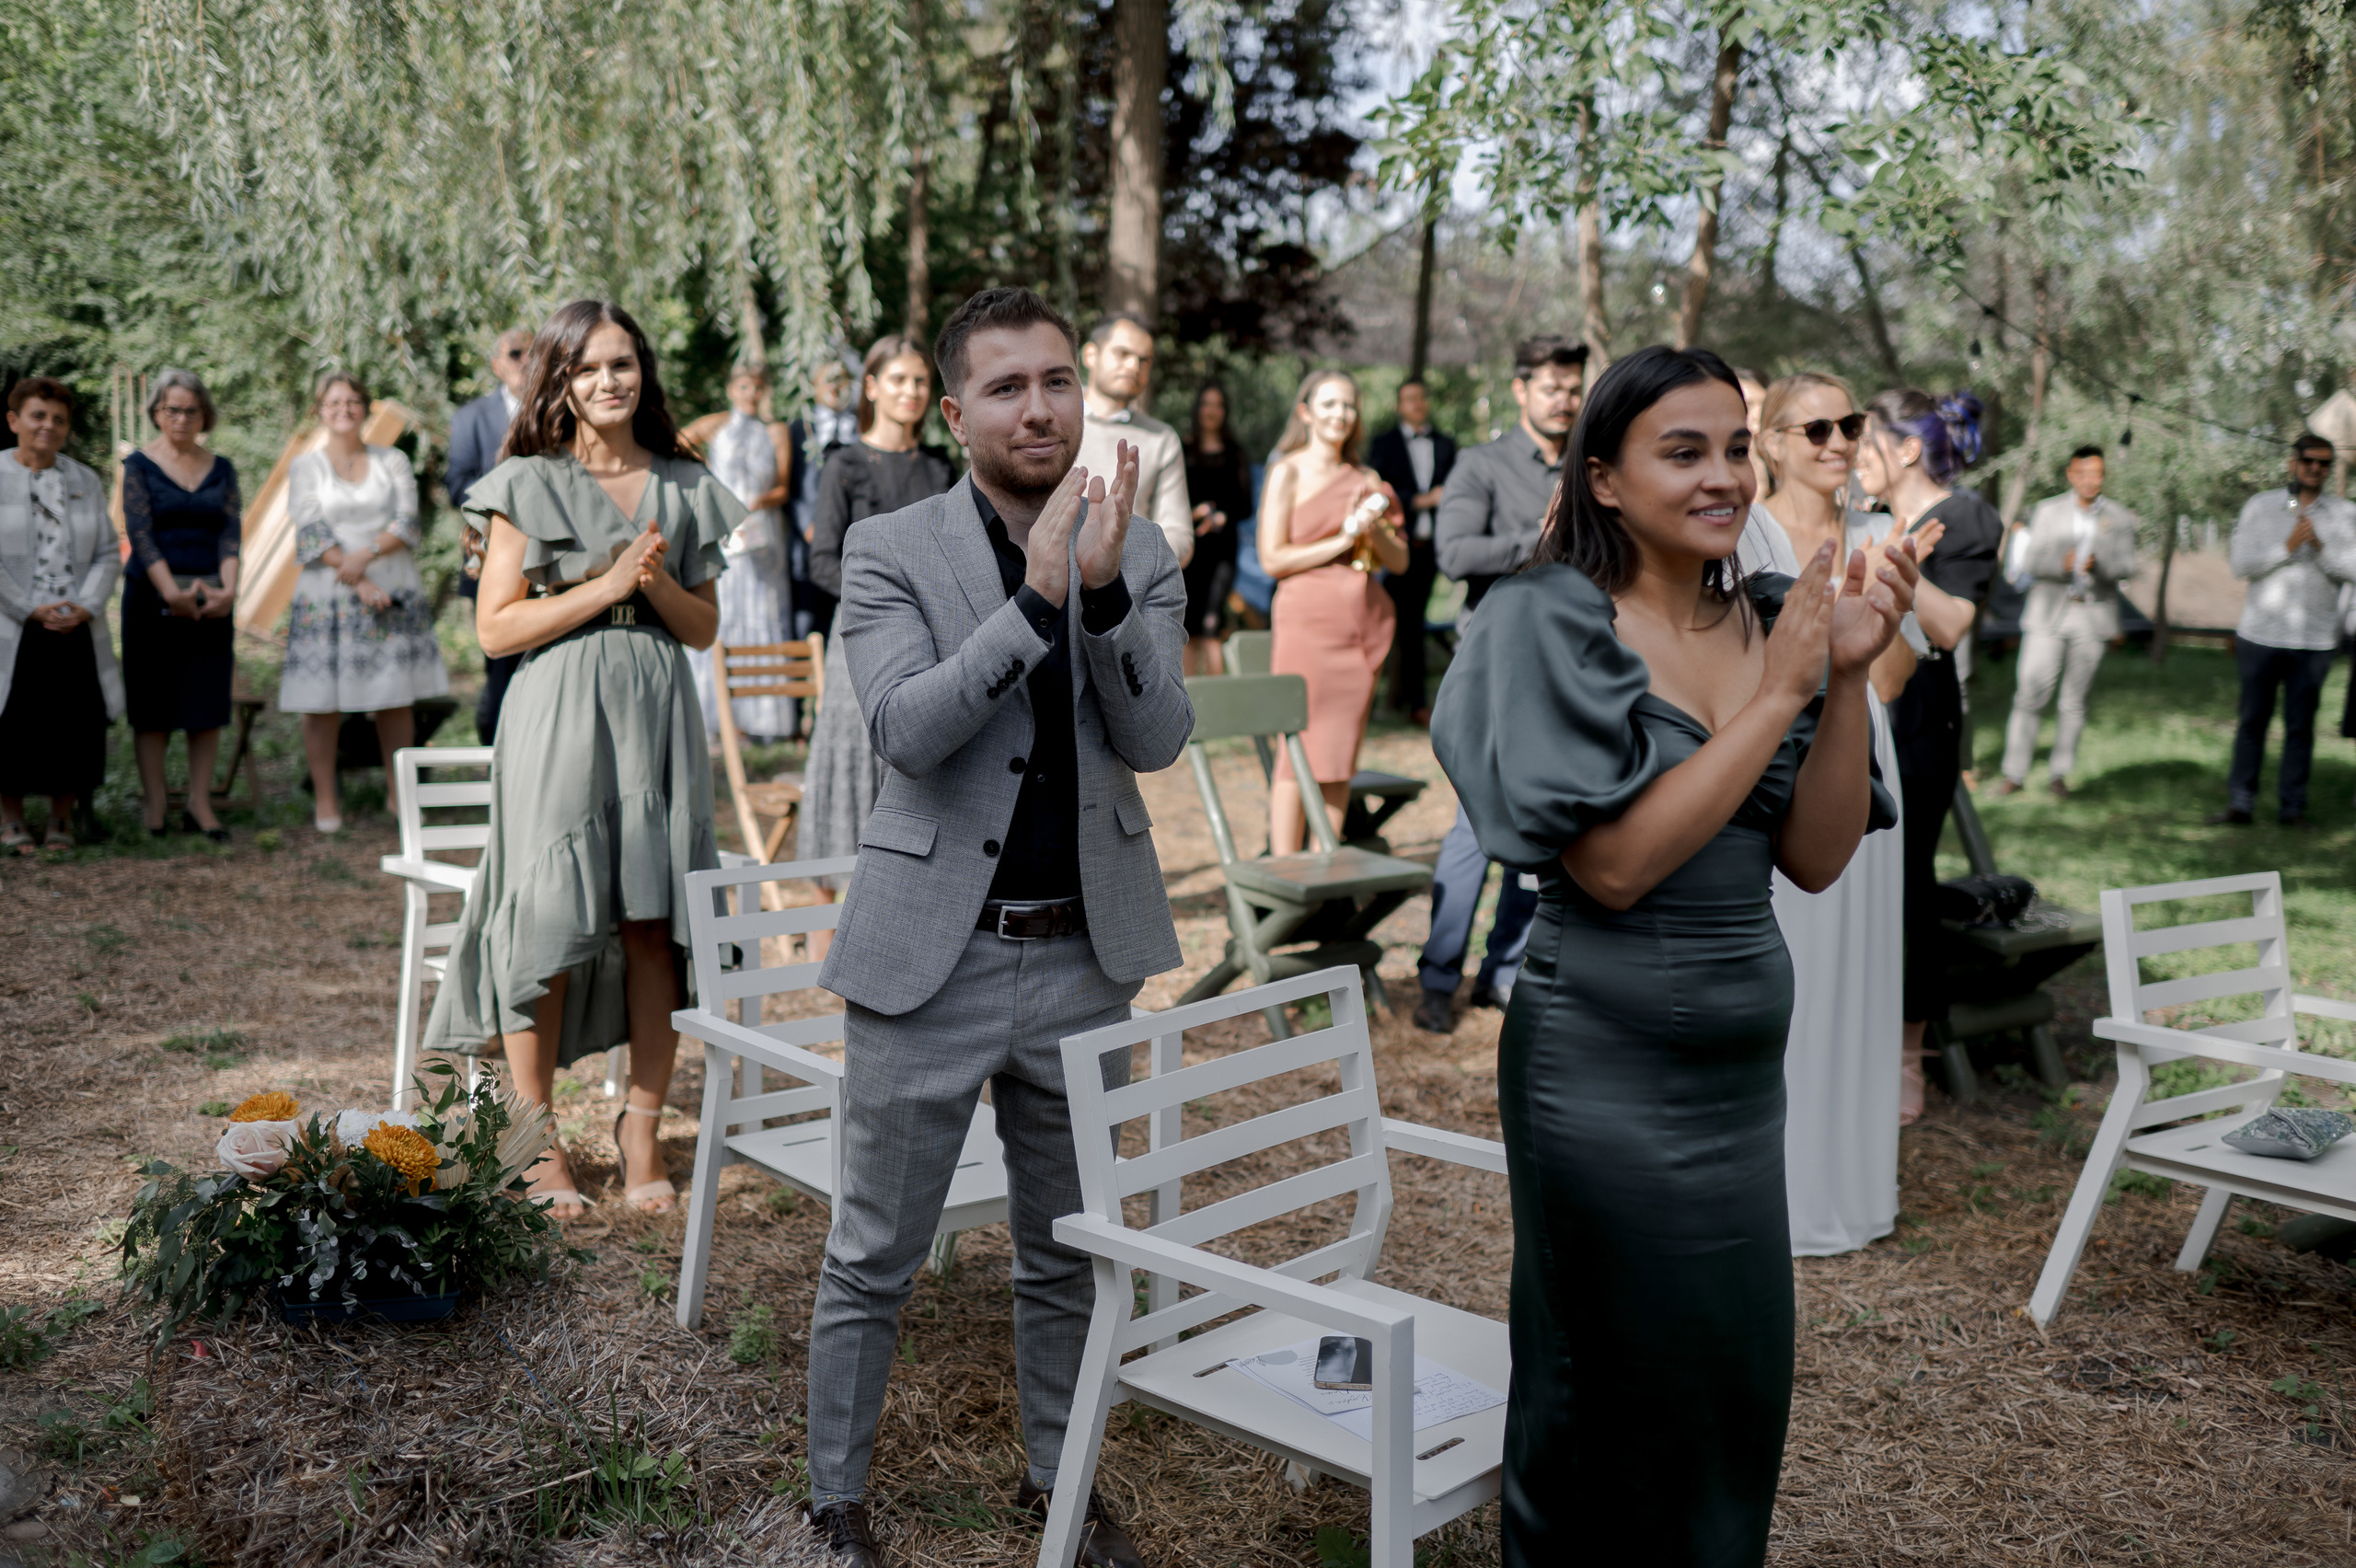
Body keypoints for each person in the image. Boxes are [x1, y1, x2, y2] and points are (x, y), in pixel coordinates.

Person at [1431, 344, 1910, 1568]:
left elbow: (1814, 855)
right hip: (1602, 1072)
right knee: (1609, 1393)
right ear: (1602, 477)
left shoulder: (1761, 619)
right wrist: (1772, 697)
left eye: (1736, 448)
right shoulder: (1544, 619)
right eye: (1682, 452)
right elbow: (1613, 868)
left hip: (1741, 1090)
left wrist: (1844, 682)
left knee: (1730, 1392)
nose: (1724, 478)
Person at [803, 286, 1186, 1568]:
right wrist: (1031, 605)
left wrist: (1104, 597)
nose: (1041, 406)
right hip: (930, 959)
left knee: (1067, 1253)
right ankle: (835, 1500)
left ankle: (1057, 1489)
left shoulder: (1138, 547)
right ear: (956, 411)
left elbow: (1159, 737)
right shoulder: (891, 548)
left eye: (1060, 381)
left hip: (1086, 956)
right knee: (874, 1256)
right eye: (1010, 387)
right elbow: (907, 731)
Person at [422, 299, 735, 1220]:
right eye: (590, 367)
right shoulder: (524, 480)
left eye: (624, 364)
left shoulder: (683, 481)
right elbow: (493, 629)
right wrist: (604, 585)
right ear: (558, 378)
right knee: (548, 920)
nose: (610, 381)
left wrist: (658, 585)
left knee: (651, 918)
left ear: (643, 372)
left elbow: (705, 629)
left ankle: (641, 1126)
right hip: (555, 708)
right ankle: (532, 1139)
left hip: (657, 708)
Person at [1739, 372, 1911, 1246]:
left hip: (1864, 746)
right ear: (1769, 442)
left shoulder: (1882, 534)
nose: (1837, 441)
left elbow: (1892, 673)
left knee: (1858, 968)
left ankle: (1844, 1181)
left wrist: (1880, 625)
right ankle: (1773, 1189)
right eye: (1815, 428)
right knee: (1791, 967)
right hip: (1776, 753)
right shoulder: (1745, 535)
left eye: (1849, 425)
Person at [1415, 335, 1586, 1034]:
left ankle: (1506, 970)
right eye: (1551, 386)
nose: (1564, 398)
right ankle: (1437, 976)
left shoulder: (1594, 464)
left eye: (1573, 386)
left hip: (1575, 668)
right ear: (1521, 389)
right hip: (1493, 670)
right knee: (1473, 827)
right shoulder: (1480, 465)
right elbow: (1454, 553)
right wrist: (1543, 538)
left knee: (1546, 826)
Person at [1852, 388, 2001, 1122]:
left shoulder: (1967, 515)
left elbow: (1950, 627)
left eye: (1866, 442)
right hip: (1859, 703)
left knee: (1906, 881)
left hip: (1921, 718)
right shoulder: (1871, 518)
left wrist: (1896, 568)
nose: (1852, 456)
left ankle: (1910, 1053)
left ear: (1907, 449)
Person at [803, 334, 958, 928]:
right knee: (851, 765)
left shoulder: (943, 466)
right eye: (899, 380)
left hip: (935, 638)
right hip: (859, 639)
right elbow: (820, 565)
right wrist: (888, 597)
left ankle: (913, 914)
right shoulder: (842, 464)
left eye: (921, 381)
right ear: (871, 387)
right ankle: (834, 931)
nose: (911, 392)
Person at [280, 372, 451, 832]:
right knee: (322, 700)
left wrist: (364, 557)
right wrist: (355, 578)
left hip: (390, 584)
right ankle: (326, 801)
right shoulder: (306, 466)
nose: (344, 409)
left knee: (394, 695)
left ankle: (399, 798)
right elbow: (310, 528)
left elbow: (407, 522)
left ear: (366, 408)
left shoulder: (391, 460)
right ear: (320, 410)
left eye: (353, 400)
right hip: (328, 593)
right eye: (334, 402)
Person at [1258, 369, 1408, 854]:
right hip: (1306, 624)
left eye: (1348, 406)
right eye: (1329, 405)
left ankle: (1328, 862)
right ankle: (1284, 868)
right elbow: (1272, 559)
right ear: (1306, 412)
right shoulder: (1288, 471)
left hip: (1359, 628)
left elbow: (1400, 561)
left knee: (1340, 755)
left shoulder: (1366, 479)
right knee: (1295, 749)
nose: (1340, 415)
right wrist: (1341, 539)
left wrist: (1375, 524)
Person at [0, 378, 121, 852]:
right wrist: (30, 608)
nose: (48, 426)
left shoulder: (84, 480)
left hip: (75, 621)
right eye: (38, 416)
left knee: (75, 722)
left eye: (58, 419)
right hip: (14, 624)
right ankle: (9, 819)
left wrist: (86, 606)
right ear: (14, 421)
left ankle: (60, 819)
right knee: (12, 722)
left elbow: (108, 553)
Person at [2212, 432, 2356, 827]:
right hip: (2260, 635)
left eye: (2324, 463)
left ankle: (2293, 809)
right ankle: (2241, 803)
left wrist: (2323, 550)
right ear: (2292, 461)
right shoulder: (2262, 507)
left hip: (2315, 640)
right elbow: (2242, 565)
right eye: (2309, 460)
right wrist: (2287, 546)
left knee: (2300, 727)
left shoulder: (2345, 514)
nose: (2315, 468)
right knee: (2252, 721)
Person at [121, 368, 239, 843]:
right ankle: (155, 803)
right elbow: (141, 533)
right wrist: (170, 591)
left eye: (192, 410)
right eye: (173, 409)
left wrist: (228, 592)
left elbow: (231, 533)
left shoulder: (223, 468)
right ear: (156, 412)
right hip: (153, 600)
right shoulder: (138, 466)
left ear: (204, 415)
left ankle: (199, 802)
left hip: (212, 599)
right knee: (152, 705)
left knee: (205, 703)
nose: (182, 418)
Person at [1993, 444, 2141, 798]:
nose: (2091, 480)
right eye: (2083, 473)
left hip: (2093, 616)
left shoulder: (2119, 518)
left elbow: (2129, 566)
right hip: (2048, 615)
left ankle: (2060, 774)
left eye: (2097, 474)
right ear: (2071, 475)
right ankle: (2014, 773)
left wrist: (2100, 563)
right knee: (2030, 693)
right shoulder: (2046, 511)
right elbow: (2027, 562)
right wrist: (2061, 563)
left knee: (2075, 701)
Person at [681, 363, 796, 743]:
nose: (750, 393)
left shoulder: (775, 431)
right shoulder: (717, 427)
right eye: (744, 386)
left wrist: (759, 502)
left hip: (761, 534)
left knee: (761, 611)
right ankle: (717, 714)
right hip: (725, 530)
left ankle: (762, 716)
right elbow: (679, 440)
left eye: (757, 387)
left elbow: (783, 486)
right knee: (725, 610)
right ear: (731, 389)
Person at [449, 328, 532, 742]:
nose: (527, 360)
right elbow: (457, 484)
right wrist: (508, 505)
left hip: (551, 558)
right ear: (498, 365)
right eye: (517, 353)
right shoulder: (471, 418)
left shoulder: (562, 411)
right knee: (499, 665)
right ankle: (496, 745)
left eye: (536, 352)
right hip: (492, 552)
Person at [1368, 378, 1457, 720]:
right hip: (1393, 547)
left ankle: (1414, 703)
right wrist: (1420, 501)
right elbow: (1379, 493)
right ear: (1399, 405)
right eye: (1409, 399)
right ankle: (1393, 699)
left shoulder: (1447, 444)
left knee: (1414, 623)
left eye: (1421, 398)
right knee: (1393, 620)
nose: (1417, 404)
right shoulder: (1384, 444)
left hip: (1429, 549)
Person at [1077, 312, 1193, 568]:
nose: (1133, 366)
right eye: (1123, 354)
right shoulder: (1052, 421)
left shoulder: (1161, 439)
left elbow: (1180, 538)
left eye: (1144, 360)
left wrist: (1113, 553)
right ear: (1090, 355)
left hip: (1124, 595)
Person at [787, 356, 861, 646]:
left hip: (849, 547)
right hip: (806, 549)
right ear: (814, 385)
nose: (834, 385)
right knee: (804, 627)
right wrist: (807, 527)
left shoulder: (860, 427)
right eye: (827, 379)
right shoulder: (799, 429)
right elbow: (792, 485)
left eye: (840, 378)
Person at [1180, 383, 1251, 674]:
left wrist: (1222, 516)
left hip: (1222, 553)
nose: (1212, 410)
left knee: (1211, 624)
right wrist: (1195, 513)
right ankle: (1184, 708)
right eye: (1206, 403)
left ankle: (1218, 707)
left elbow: (1246, 505)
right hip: (1190, 552)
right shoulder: (1184, 450)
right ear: (1198, 408)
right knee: (1186, 627)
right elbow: (1174, 499)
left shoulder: (1235, 453)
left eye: (1218, 404)